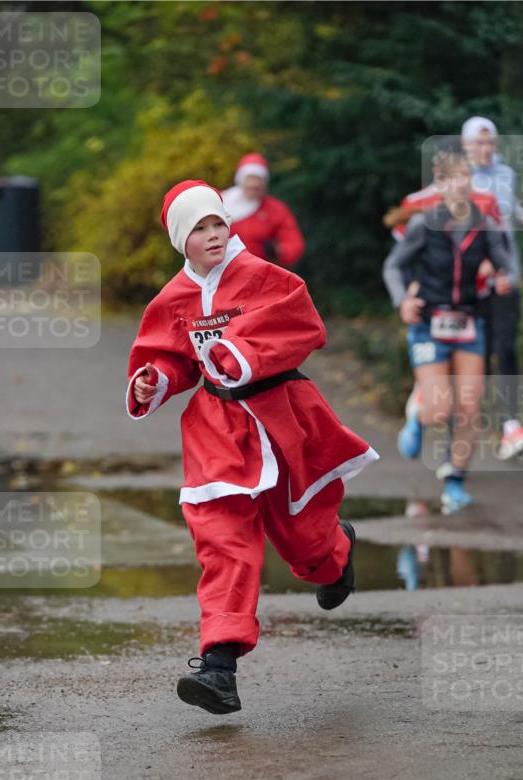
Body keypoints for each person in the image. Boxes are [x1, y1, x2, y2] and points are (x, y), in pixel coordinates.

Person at [127, 180, 378, 715]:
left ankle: (335, 554)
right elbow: (172, 359)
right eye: (200, 229)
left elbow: (304, 326)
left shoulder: (267, 278)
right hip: (217, 430)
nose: (214, 234)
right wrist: (155, 379)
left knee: (303, 540)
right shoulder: (173, 299)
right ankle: (219, 666)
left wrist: (242, 353)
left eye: (219, 222)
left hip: (282, 418)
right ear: (181, 240)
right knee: (223, 541)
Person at [382, 150, 512, 514]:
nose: (459, 184)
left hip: (470, 321)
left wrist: (503, 278)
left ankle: (454, 481)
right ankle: (418, 416)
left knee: (469, 407)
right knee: (440, 410)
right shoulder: (424, 224)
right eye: (451, 178)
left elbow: (508, 265)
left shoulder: (484, 223)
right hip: (428, 322)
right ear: (439, 184)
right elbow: (393, 266)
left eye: (464, 177)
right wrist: (402, 302)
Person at [461, 116, 523, 460]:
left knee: (505, 349)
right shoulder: (458, 181)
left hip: (507, 276)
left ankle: (510, 427)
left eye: (490, 142)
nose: (485, 149)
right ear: (465, 146)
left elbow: (506, 208)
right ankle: (461, 427)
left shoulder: (505, 174)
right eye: (478, 143)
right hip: (469, 283)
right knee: (474, 355)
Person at [221, 153, 305, 267]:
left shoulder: (275, 209)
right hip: (224, 270)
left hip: (260, 272)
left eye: (259, 179)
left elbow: (294, 243)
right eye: (250, 179)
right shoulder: (222, 203)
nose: (254, 184)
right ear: (241, 180)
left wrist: (279, 251)